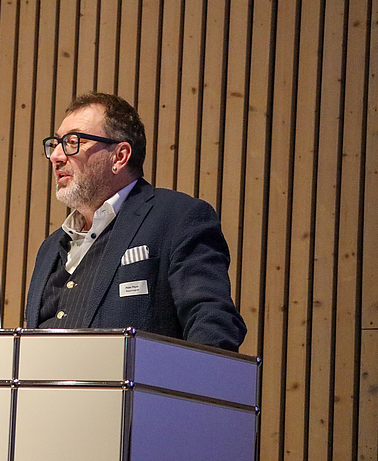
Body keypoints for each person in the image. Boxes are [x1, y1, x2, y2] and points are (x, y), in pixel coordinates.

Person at [25, 92, 246, 351]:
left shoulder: (176, 218)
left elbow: (213, 326)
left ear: (119, 156)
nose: (56, 156)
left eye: (72, 142)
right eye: (56, 144)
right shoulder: (50, 247)